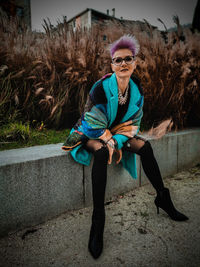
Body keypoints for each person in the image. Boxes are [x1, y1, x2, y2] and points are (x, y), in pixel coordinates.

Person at [62, 35, 188, 259]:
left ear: (135, 62)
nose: (123, 64)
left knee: (145, 148)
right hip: (89, 131)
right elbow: (91, 122)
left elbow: (135, 124)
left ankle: (163, 197)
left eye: (128, 59)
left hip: (117, 132)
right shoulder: (101, 87)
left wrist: (115, 141)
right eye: (117, 60)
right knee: (101, 152)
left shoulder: (136, 88)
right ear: (112, 65)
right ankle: (98, 220)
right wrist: (108, 140)